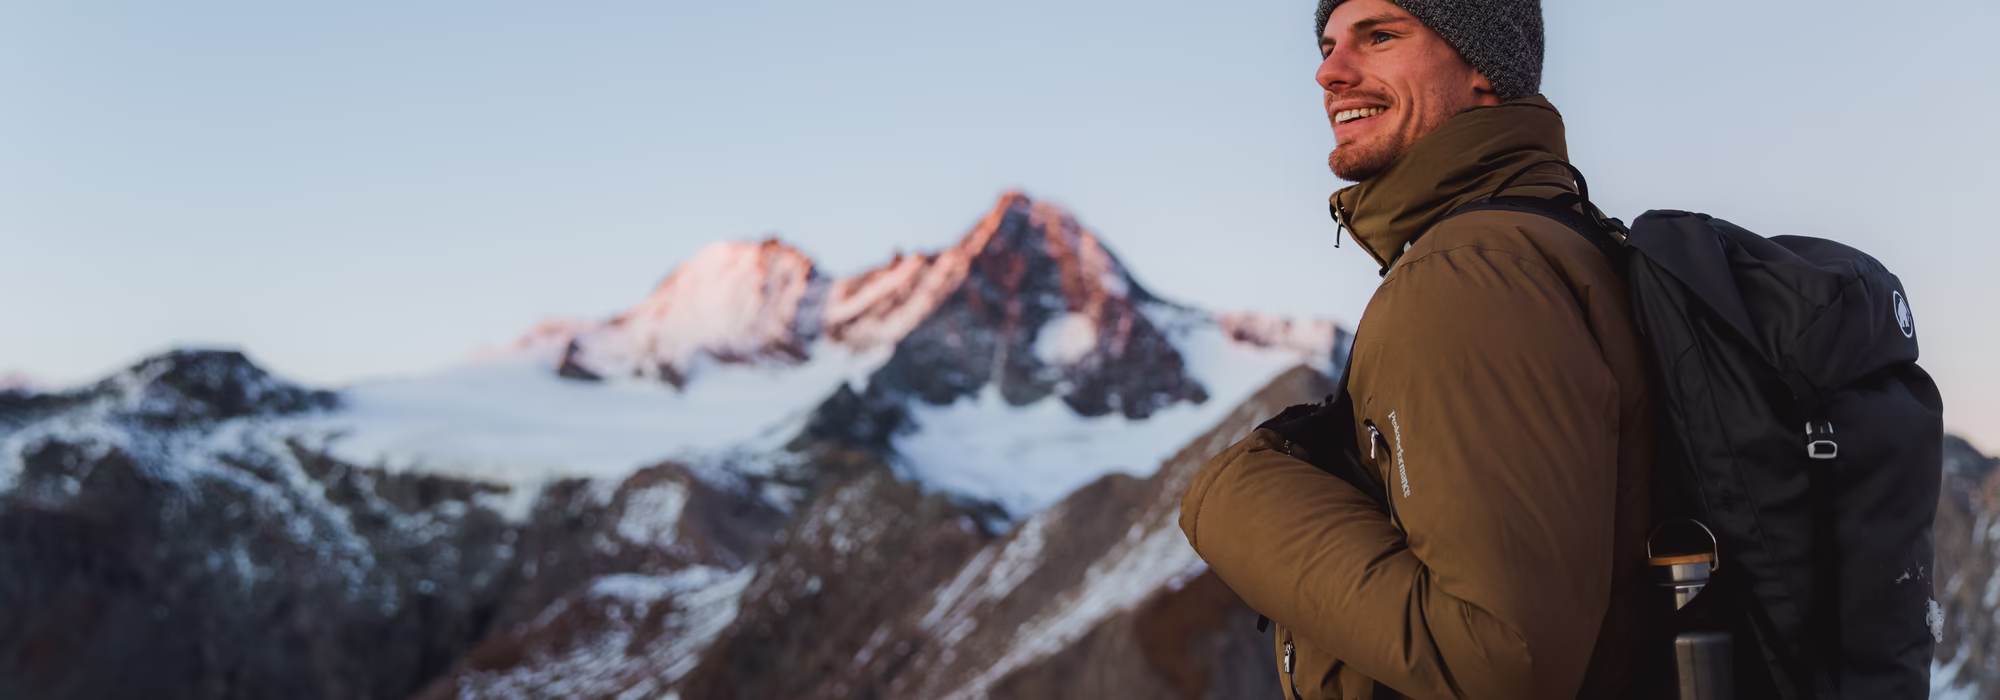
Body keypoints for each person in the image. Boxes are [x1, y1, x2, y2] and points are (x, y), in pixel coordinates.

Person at [1177, 1, 1654, 698]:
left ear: (1485, 71)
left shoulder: (1469, 274)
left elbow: (1502, 660)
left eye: (1380, 37)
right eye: (1330, 43)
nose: (1329, 72)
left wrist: (1230, 499)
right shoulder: (1556, 239)